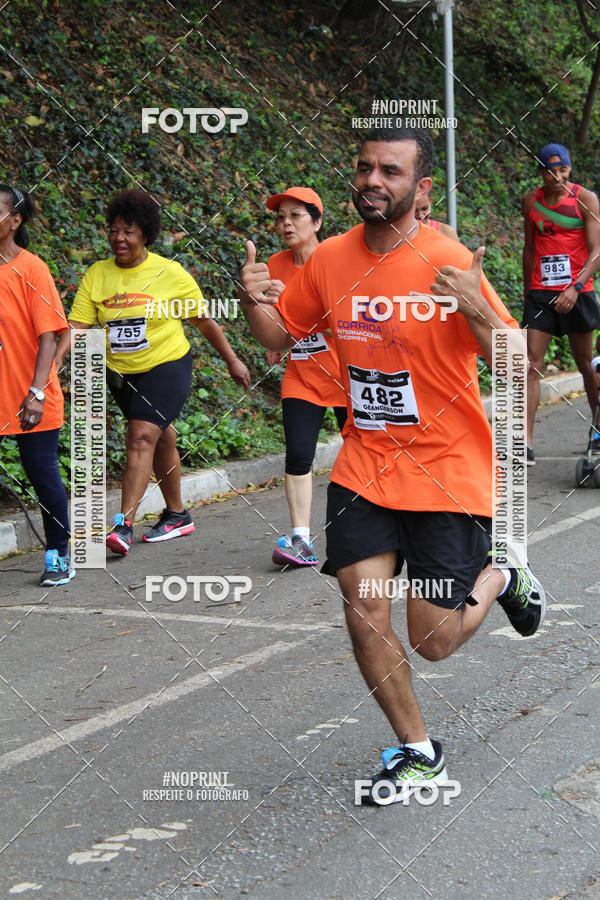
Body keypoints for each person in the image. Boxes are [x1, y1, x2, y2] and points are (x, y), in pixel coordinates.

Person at [240, 126, 546, 805]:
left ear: (421, 188)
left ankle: (502, 571)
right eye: (365, 168)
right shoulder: (330, 260)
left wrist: (475, 309)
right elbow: (280, 340)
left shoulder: (449, 260)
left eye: (391, 170)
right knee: (362, 609)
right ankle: (419, 752)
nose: (374, 180)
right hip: (366, 464)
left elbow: (517, 365)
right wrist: (252, 299)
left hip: (448, 467)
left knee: (433, 641)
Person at [55, 189, 250, 557]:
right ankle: (178, 514)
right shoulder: (98, 274)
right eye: (113, 230)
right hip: (123, 374)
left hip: (167, 364)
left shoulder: (169, 274)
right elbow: (78, 323)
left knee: (141, 436)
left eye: (128, 231)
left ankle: (123, 526)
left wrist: (232, 360)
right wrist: (55, 362)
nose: (119, 238)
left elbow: (203, 321)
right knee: (161, 438)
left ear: (145, 233)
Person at [262, 187, 347, 567]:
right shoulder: (273, 265)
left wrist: (294, 312)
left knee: (367, 452)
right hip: (302, 375)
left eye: (295, 215)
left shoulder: (339, 261)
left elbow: (351, 321)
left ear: (317, 221)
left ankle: (385, 527)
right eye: (281, 217)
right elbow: (271, 326)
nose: (286, 223)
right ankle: (301, 539)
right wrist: (274, 326)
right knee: (298, 454)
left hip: (348, 376)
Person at [0, 186, 74, 586]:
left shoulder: (32, 269)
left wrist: (37, 391)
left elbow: (48, 335)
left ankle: (59, 555)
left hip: (30, 392)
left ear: (15, 221)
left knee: (42, 474)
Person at [522, 142, 600, 465]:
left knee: (586, 364)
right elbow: (529, 249)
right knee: (529, 364)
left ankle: (597, 430)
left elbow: (596, 250)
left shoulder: (585, 199)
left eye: (563, 169)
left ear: (570, 169)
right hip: (542, 292)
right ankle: (525, 442)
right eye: (551, 170)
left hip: (578, 292)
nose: (558, 176)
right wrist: (529, 292)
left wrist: (576, 286)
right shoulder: (531, 201)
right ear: (540, 172)